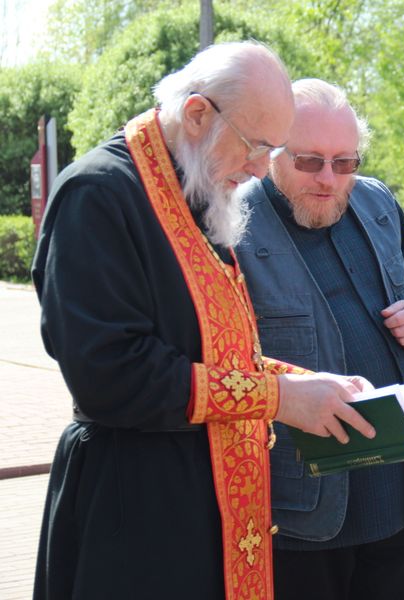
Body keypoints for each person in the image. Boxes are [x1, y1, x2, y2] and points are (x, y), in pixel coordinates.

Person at [31, 43, 376, 600]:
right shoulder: (98, 194)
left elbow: (210, 350)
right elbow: (111, 377)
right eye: (257, 145)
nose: (261, 169)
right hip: (136, 511)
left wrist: (302, 383)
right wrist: (279, 399)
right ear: (197, 115)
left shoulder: (196, 191)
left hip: (205, 507)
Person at [235, 78, 404, 600]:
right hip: (300, 513)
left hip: (400, 497)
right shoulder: (232, 221)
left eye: (345, 162)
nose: (329, 179)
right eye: (310, 161)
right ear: (271, 152)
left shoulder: (374, 200)